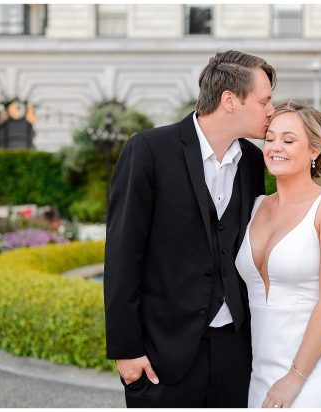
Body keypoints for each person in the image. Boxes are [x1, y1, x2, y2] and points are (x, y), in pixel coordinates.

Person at [104, 50, 274, 407]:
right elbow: (122, 254)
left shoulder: (253, 162)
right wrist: (126, 350)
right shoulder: (149, 150)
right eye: (265, 101)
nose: (271, 111)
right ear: (230, 100)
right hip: (163, 353)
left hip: (234, 352)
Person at [236, 101, 321, 408]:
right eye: (270, 138)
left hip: (314, 369)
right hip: (258, 368)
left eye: (288, 140)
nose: (276, 147)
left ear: (315, 150)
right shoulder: (256, 205)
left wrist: (295, 377)